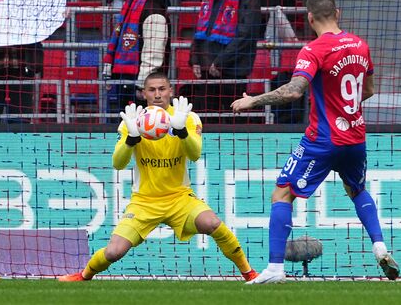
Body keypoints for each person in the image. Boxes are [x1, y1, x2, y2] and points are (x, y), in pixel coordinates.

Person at [231, 0, 400, 284]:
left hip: (323, 139)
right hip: (356, 137)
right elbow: (369, 91)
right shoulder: (360, 45)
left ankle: (274, 268)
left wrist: (252, 101)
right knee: (357, 190)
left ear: (310, 18)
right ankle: (380, 247)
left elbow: (295, 89)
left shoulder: (313, 50)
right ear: (338, 13)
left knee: (282, 192)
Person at [58, 71, 258, 282]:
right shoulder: (133, 120)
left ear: (170, 91)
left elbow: (195, 154)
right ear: (144, 93)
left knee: (212, 223)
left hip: (179, 198)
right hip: (144, 202)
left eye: (162, 89)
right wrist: (132, 138)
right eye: (152, 90)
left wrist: (181, 131)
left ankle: (249, 273)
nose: (157, 94)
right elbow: (118, 163)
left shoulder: (186, 117)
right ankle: (84, 275)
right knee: (113, 252)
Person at [189, 0, 261, 124]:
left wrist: (221, 62)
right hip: (208, 67)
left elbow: (247, 32)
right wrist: (195, 57)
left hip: (232, 70)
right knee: (202, 121)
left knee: (232, 125)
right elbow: (202, 23)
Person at [102, 0, 170, 114]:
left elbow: (153, 53)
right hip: (124, 78)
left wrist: (143, 85)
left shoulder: (153, 8)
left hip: (141, 84)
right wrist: (110, 70)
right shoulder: (129, 5)